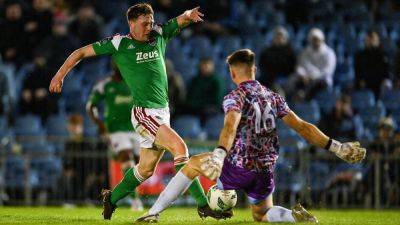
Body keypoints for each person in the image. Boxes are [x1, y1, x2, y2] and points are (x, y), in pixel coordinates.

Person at [136, 49, 366, 223]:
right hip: (265, 169)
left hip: (238, 165)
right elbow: (303, 127)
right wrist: (337, 147)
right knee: (262, 213)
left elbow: (230, 126)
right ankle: (293, 217)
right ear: (253, 69)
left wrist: (218, 154)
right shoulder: (273, 96)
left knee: (192, 164)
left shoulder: (235, 96)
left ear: (232, 72)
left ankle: (153, 213)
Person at [49, 3, 228, 220]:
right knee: (180, 148)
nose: (149, 27)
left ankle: (111, 199)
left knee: (145, 170)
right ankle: (203, 205)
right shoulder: (119, 43)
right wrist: (60, 75)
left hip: (163, 112)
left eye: (151, 22)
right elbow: (80, 52)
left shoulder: (159, 34)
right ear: (131, 23)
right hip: (145, 113)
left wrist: (188, 15)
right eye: (144, 23)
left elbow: (179, 21)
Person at [86, 61, 143, 211]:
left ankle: (128, 195)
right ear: (114, 67)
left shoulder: (134, 82)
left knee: (139, 167)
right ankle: (135, 201)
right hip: (115, 130)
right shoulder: (105, 85)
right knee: (127, 160)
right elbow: (90, 106)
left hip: (136, 129)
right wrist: (101, 126)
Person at [295, 28, 336, 99]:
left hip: (322, 79)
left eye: (317, 40)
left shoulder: (329, 53)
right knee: (297, 82)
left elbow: (328, 71)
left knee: (316, 84)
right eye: (314, 39)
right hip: (307, 78)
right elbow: (300, 66)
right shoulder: (305, 52)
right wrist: (303, 75)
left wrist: (313, 76)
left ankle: (304, 97)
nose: (316, 42)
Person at [354, 30, 390, 98]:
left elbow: (386, 71)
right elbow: (358, 71)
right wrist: (360, 80)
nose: (370, 41)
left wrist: (385, 80)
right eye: (369, 38)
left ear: (378, 40)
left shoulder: (383, 55)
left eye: (373, 39)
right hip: (365, 82)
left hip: (379, 83)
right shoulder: (360, 55)